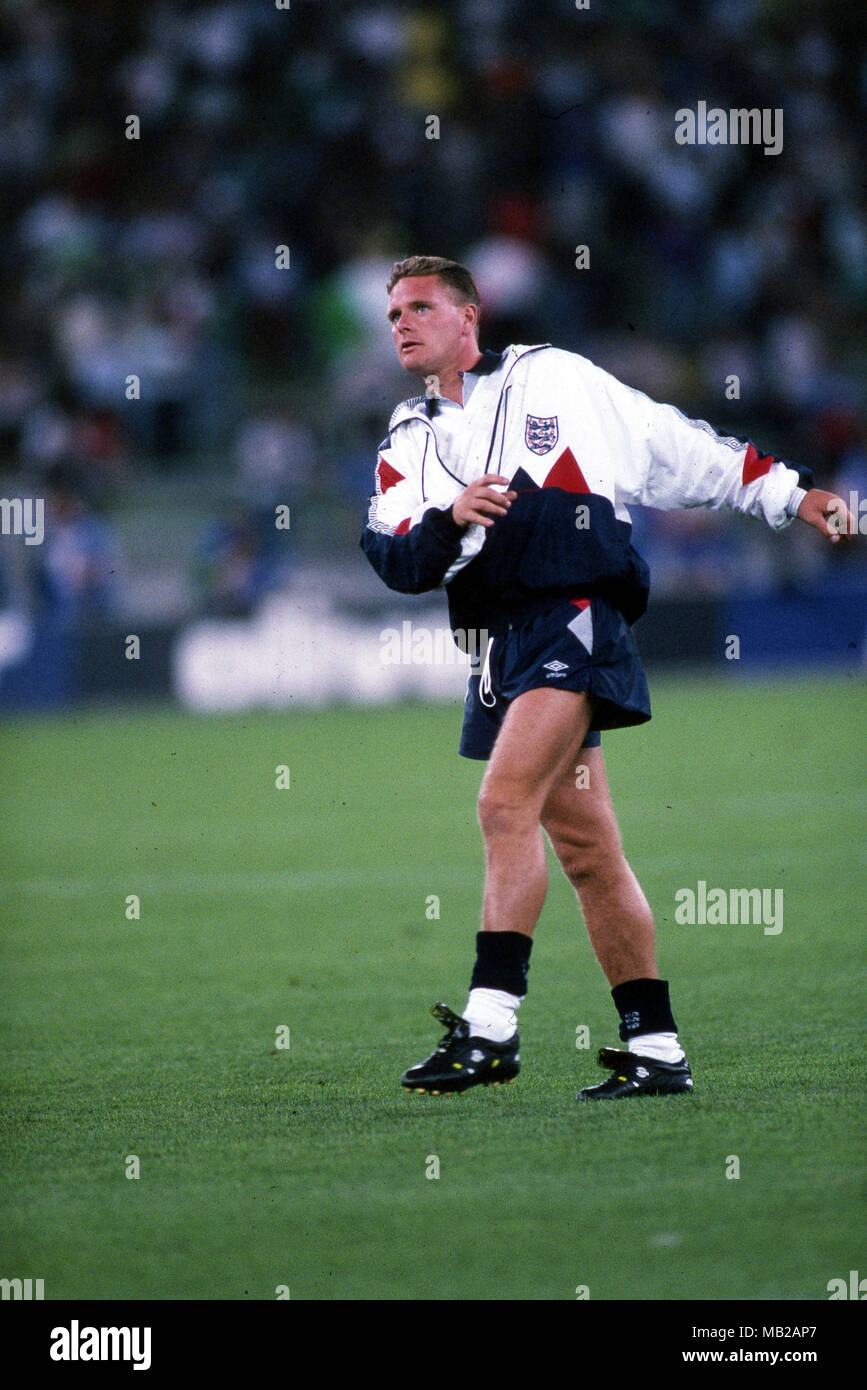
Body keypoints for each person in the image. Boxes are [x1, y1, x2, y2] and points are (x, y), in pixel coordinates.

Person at [360, 254, 853, 1101]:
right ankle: (656, 1049)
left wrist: (791, 494)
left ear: (469, 316)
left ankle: (490, 1028)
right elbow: (394, 558)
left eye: (419, 307)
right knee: (588, 851)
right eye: (394, 311)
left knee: (501, 804)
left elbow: (677, 446)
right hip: (499, 645)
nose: (401, 322)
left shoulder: (554, 378)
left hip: (575, 614)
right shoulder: (405, 442)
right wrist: (449, 518)